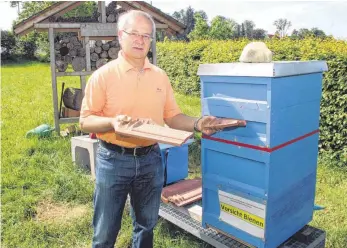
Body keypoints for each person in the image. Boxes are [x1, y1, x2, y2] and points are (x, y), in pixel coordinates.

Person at [79, 10, 237, 248]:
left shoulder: (160, 76)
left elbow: (172, 117)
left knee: (145, 226)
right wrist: (113, 122)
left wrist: (197, 123)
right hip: (113, 159)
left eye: (146, 35)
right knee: (104, 232)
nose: (140, 40)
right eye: (134, 34)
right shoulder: (103, 76)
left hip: (150, 159)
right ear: (120, 36)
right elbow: (85, 120)